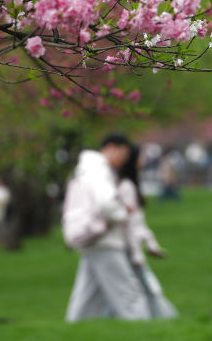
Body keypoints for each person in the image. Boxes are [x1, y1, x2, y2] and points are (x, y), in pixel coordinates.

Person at [63, 134, 150, 322]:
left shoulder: (86, 169)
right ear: (112, 147)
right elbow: (105, 205)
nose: (125, 159)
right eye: (124, 153)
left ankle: (75, 329)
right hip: (105, 240)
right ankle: (143, 328)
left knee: (86, 299)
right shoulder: (98, 170)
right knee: (129, 294)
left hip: (93, 240)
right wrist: (123, 213)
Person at [116, 144, 178, 319]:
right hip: (128, 247)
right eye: (141, 156)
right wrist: (137, 253)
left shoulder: (130, 185)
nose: (144, 160)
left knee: (141, 287)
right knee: (146, 288)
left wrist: (151, 244)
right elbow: (130, 224)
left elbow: (138, 223)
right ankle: (162, 318)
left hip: (130, 246)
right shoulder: (127, 187)